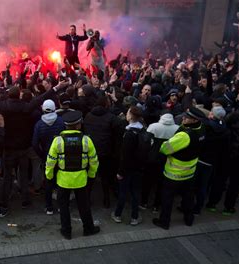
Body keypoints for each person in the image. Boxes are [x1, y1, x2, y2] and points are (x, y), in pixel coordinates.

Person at [45, 110, 100, 239]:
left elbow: (50, 161)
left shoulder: (57, 141)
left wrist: (49, 176)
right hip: (81, 179)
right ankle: (88, 229)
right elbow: (94, 161)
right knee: (84, 206)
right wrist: (91, 175)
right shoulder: (87, 140)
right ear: (79, 125)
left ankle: (66, 231)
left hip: (63, 180)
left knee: (63, 207)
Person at [153, 107, 206, 230]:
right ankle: (189, 219)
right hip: (190, 171)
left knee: (167, 198)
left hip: (174, 174)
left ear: (194, 120)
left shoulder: (184, 135)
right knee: (188, 197)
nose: (183, 118)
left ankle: (164, 221)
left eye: (186, 118)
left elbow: (165, 148)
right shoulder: (202, 128)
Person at [111, 106, 152, 225]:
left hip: (127, 169)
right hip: (139, 168)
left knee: (123, 192)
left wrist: (120, 171)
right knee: (135, 193)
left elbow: (125, 156)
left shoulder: (129, 134)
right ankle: (135, 217)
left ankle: (118, 214)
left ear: (131, 116)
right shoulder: (143, 130)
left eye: (128, 112)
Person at [32, 99, 65, 214]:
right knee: (61, 181)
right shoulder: (61, 122)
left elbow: (35, 143)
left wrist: (42, 155)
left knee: (48, 181)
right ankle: (62, 206)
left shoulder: (39, 124)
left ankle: (49, 206)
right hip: (61, 155)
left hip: (47, 156)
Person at [142, 113, 179, 213]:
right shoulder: (177, 129)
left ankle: (144, 202)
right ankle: (156, 205)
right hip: (167, 158)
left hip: (152, 158)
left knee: (147, 182)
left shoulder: (153, 127)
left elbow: (146, 141)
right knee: (161, 183)